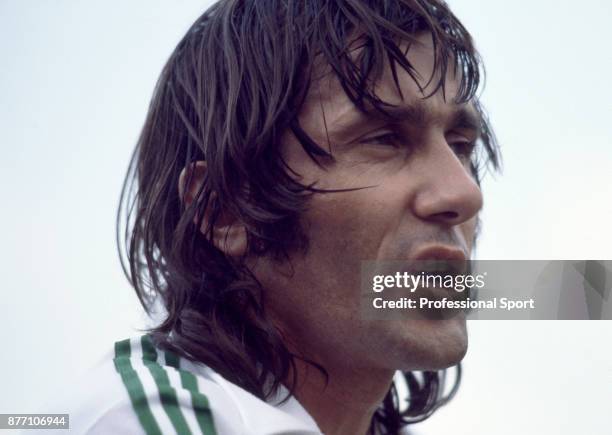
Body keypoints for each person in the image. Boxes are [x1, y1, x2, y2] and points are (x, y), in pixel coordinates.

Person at [52, 1, 500, 434]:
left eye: (460, 145)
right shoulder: (142, 420)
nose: (465, 192)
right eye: (383, 139)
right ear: (225, 209)